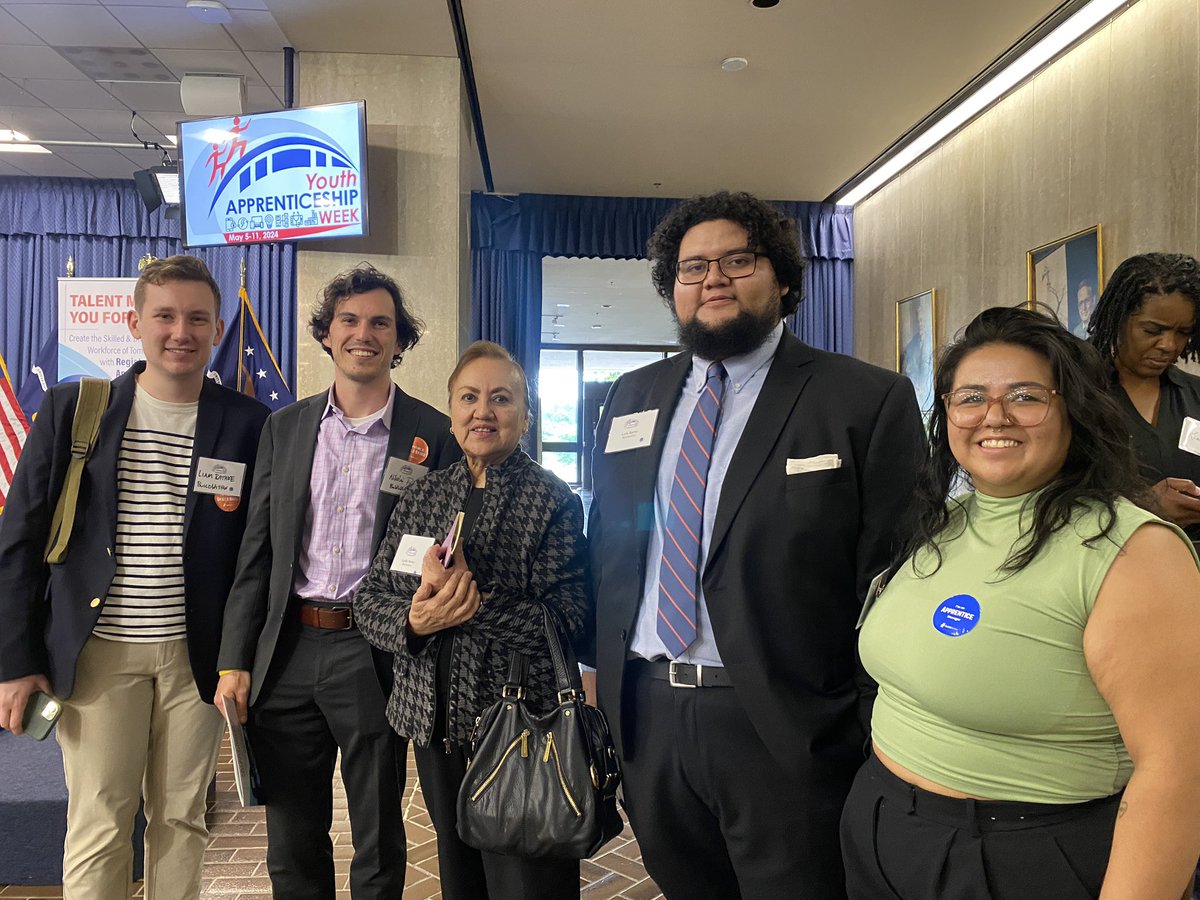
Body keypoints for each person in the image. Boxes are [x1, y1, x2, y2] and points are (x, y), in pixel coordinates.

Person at [586, 191, 925, 899]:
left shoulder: (863, 399)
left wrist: (857, 727)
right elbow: (612, 548)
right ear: (672, 288)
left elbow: (896, 577)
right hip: (649, 715)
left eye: (737, 260)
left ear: (784, 280)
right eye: (693, 267)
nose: (713, 279)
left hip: (786, 725)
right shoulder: (630, 397)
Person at [844, 306, 1200, 899]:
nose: (994, 416)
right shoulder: (946, 518)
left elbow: (1180, 772)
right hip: (883, 826)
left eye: (1026, 396)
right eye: (971, 397)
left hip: (1018, 856)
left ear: (1074, 410)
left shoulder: (1134, 553)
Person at [0, 255, 268, 900]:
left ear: (217, 328)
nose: (181, 331)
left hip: (196, 658)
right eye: (165, 316)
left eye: (197, 318)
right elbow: (20, 541)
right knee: (100, 822)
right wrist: (16, 662)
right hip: (98, 652)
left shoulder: (248, 423)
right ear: (135, 323)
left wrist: (240, 655)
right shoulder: (76, 409)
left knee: (182, 819)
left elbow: (255, 552)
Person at [214, 264, 460, 899]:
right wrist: (234, 659)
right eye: (349, 320)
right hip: (289, 651)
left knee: (378, 835)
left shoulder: (433, 434)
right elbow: (256, 553)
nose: (363, 334)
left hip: (375, 653)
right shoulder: (285, 428)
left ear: (399, 340)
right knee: (292, 839)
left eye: (380, 323)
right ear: (327, 333)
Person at [355, 340, 589, 900]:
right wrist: (415, 620)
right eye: (469, 398)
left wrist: (477, 604)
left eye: (501, 398)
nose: (483, 411)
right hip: (435, 729)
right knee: (461, 882)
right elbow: (370, 599)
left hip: (522, 732)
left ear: (526, 416)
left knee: (527, 884)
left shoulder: (553, 501)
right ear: (452, 412)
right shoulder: (424, 496)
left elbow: (569, 623)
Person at [1087, 252, 1200, 541]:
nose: (1169, 345)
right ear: (1117, 319)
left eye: (1183, 332)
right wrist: (1145, 504)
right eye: (1153, 330)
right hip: (1109, 555)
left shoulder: (1195, 394)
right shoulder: (1080, 394)